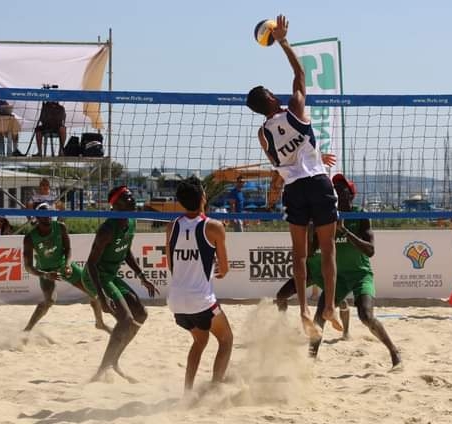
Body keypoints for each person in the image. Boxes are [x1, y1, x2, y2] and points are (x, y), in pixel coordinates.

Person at [245, 14, 341, 337]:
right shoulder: (295, 108)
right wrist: (283, 41)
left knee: (298, 255)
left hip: (294, 189)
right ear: (271, 97)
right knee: (328, 249)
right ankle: (327, 307)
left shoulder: (262, 134)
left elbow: (277, 162)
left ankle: (303, 311)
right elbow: (300, 73)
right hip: (317, 182)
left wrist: (309, 153)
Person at [276, 173, 401, 368]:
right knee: (320, 315)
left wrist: (346, 232)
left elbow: (370, 250)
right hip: (339, 278)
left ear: (351, 195)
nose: (338, 192)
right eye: (335, 188)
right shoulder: (326, 219)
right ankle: (311, 360)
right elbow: (310, 251)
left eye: (342, 188)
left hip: (361, 275)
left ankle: (394, 351)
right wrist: (309, 233)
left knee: (366, 316)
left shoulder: (361, 215)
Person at [82, 186, 159, 382]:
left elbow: (126, 251)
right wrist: (101, 296)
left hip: (110, 275)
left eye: (132, 196)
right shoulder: (107, 229)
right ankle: (102, 370)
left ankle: (113, 360)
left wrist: (142, 276)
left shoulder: (131, 222)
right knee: (125, 320)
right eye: (126, 198)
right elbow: (91, 263)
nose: (132, 199)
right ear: (115, 205)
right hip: (95, 276)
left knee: (141, 314)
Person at [166, 176, 233, 393]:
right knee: (226, 339)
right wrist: (216, 271)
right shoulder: (213, 227)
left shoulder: (171, 226)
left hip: (175, 301)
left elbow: (171, 264)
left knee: (200, 341)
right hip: (200, 301)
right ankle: (215, 388)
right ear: (203, 197)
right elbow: (225, 268)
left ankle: (187, 392)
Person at [22, 203, 111, 334]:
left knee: (93, 290)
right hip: (46, 271)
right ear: (37, 218)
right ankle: (27, 330)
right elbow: (28, 267)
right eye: (44, 216)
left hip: (64, 266)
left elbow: (68, 249)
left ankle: (100, 323)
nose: (47, 219)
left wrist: (68, 264)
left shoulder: (60, 227)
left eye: (49, 216)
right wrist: (46, 275)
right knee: (49, 301)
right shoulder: (30, 238)